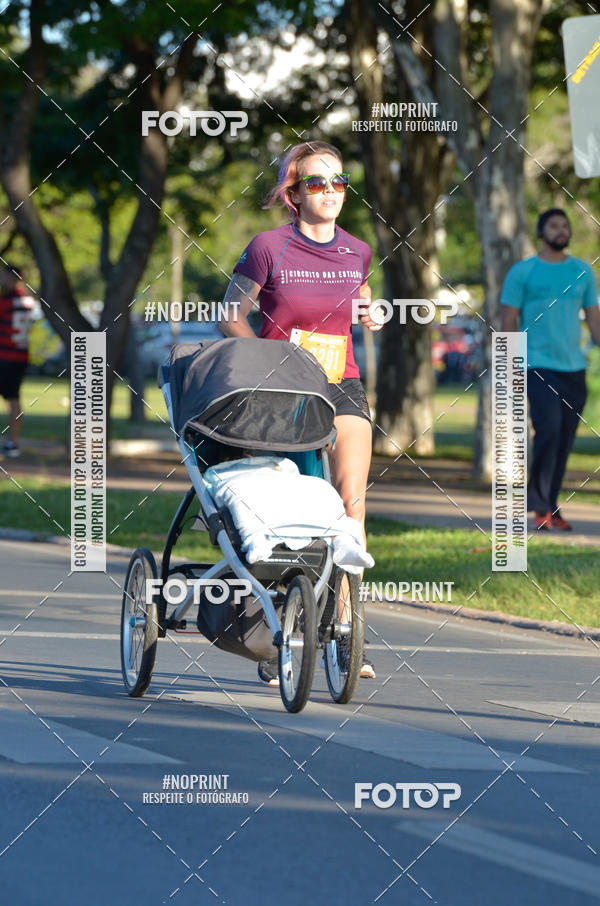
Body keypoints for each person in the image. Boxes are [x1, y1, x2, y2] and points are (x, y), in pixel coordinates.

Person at [219, 140, 380, 683]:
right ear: (294, 193)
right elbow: (230, 314)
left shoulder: (357, 250)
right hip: (283, 388)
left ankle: (346, 632)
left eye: (339, 182)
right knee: (287, 508)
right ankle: (280, 627)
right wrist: (268, 362)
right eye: (317, 182)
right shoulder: (269, 247)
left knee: (351, 504)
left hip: (341, 385)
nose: (331, 191)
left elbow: (360, 298)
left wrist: (372, 312)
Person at [500, 208, 600, 531]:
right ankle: (540, 506)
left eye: (565, 226)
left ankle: (550, 507)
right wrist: (510, 363)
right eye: (554, 226)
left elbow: (594, 317)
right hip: (536, 364)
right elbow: (508, 318)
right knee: (549, 430)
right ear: (541, 232)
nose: (561, 231)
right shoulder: (523, 272)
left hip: (574, 367)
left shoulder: (583, 271)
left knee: (564, 439)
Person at [0, 264, 35, 457]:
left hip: (4, 355)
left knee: (13, 399)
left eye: (4, 277)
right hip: (20, 356)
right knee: (14, 399)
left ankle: (12, 443)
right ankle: (13, 442)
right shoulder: (28, 301)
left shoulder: (5, 301)